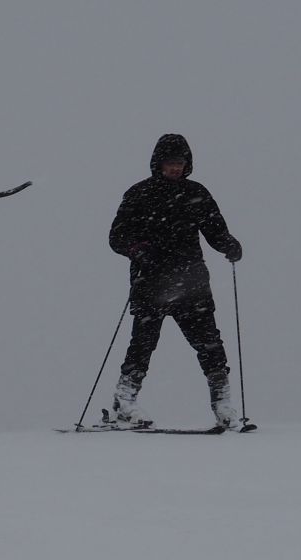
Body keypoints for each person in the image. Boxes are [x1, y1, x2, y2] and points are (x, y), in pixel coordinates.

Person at [107, 133, 245, 430]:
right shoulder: (139, 194)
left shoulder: (197, 193)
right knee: (143, 344)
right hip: (150, 281)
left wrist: (229, 245)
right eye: (170, 163)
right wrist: (137, 250)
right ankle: (125, 403)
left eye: (180, 163)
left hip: (191, 281)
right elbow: (117, 237)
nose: (175, 168)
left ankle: (223, 404)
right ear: (158, 164)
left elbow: (215, 230)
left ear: (188, 164)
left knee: (209, 344)